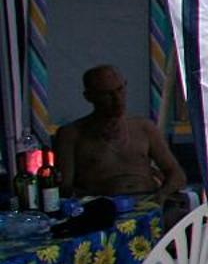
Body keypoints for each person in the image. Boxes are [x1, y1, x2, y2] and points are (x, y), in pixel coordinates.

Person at [55, 65, 190, 205]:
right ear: (90, 96)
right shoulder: (71, 134)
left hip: (149, 202)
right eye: (107, 94)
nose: (117, 99)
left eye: (120, 90)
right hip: (104, 208)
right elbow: (64, 188)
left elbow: (177, 175)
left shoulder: (144, 127)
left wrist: (161, 195)